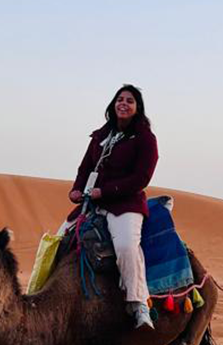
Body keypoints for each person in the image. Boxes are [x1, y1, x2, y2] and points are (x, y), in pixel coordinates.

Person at [62, 84, 159, 328]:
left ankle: (138, 303)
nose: (123, 104)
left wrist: (105, 191)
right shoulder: (100, 135)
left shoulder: (145, 138)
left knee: (126, 245)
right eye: (120, 99)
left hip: (125, 204)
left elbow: (142, 177)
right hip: (91, 203)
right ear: (113, 104)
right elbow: (85, 168)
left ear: (137, 108)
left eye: (129, 100)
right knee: (58, 238)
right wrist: (77, 188)